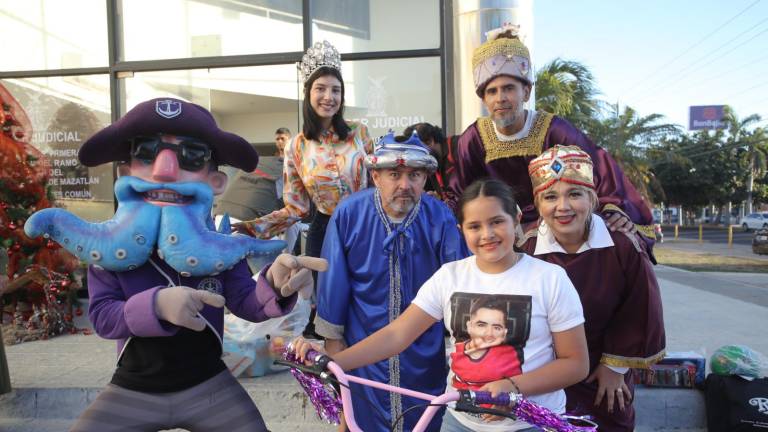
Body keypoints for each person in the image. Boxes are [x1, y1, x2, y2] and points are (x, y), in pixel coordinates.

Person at [25, 98, 327, 432]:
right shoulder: (110, 249)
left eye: (192, 155)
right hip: (133, 391)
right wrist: (156, 305)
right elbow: (103, 318)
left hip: (208, 387)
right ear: (125, 172)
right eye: (146, 151)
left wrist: (273, 282)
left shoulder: (219, 248)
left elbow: (246, 302)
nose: (164, 170)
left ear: (215, 182)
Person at [297, 178, 589, 432]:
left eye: (496, 222)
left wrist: (512, 387)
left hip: (529, 423)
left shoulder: (550, 279)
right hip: (460, 422)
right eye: (475, 226)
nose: (487, 235)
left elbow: (575, 364)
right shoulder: (450, 276)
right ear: (462, 230)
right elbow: (397, 335)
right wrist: (332, 360)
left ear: (515, 219)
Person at [312, 131, 469, 432]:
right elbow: (333, 281)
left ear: (425, 178)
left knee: (424, 416)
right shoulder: (348, 214)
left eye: (415, 175)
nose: (404, 185)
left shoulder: (440, 217)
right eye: (394, 174)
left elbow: (458, 283)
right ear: (376, 176)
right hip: (363, 345)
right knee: (363, 415)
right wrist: (333, 339)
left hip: (423, 349)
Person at [448, 24, 655, 245]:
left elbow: (597, 169)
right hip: (498, 233)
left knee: (622, 241)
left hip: (555, 227)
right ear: (484, 99)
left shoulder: (554, 130)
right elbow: (460, 193)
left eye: (509, 88)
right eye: (492, 91)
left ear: (526, 92)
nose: (500, 98)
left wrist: (613, 208)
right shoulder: (474, 138)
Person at [519, 145, 666, 431]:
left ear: (593, 198)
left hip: (602, 369)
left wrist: (614, 368)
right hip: (542, 371)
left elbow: (639, 307)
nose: (562, 207)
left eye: (574, 194)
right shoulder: (525, 247)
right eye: (550, 196)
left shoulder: (623, 246)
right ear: (538, 204)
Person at [450, 296, 523, 398]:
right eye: (481, 325)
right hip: (455, 406)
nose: (489, 333)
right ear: (469, 326)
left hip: (501, 409)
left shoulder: (509, 355)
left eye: (497, 327)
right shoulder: (459, 349)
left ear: (504, 332)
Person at [403, 122, 458, 202]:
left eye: (419, 151)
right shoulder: (430, 165)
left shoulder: (458, 147)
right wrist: (438, 199)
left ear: (430, 141)